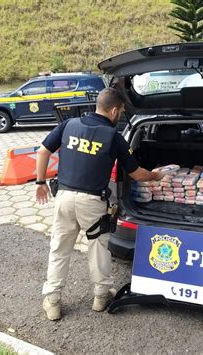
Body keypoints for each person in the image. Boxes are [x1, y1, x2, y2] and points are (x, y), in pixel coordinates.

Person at [35, 87, 164, 320]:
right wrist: (156, 175)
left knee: (59, 250)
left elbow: (43, 150)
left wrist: (40, 182)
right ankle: (101, 297)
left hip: (63, 198)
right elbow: (137, 174)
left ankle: (52, 301)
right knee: (98, 250)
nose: (120, 115)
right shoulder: (113, 137)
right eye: (121, 110)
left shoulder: (69, 125)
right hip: (92, 203)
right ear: (114, 110)